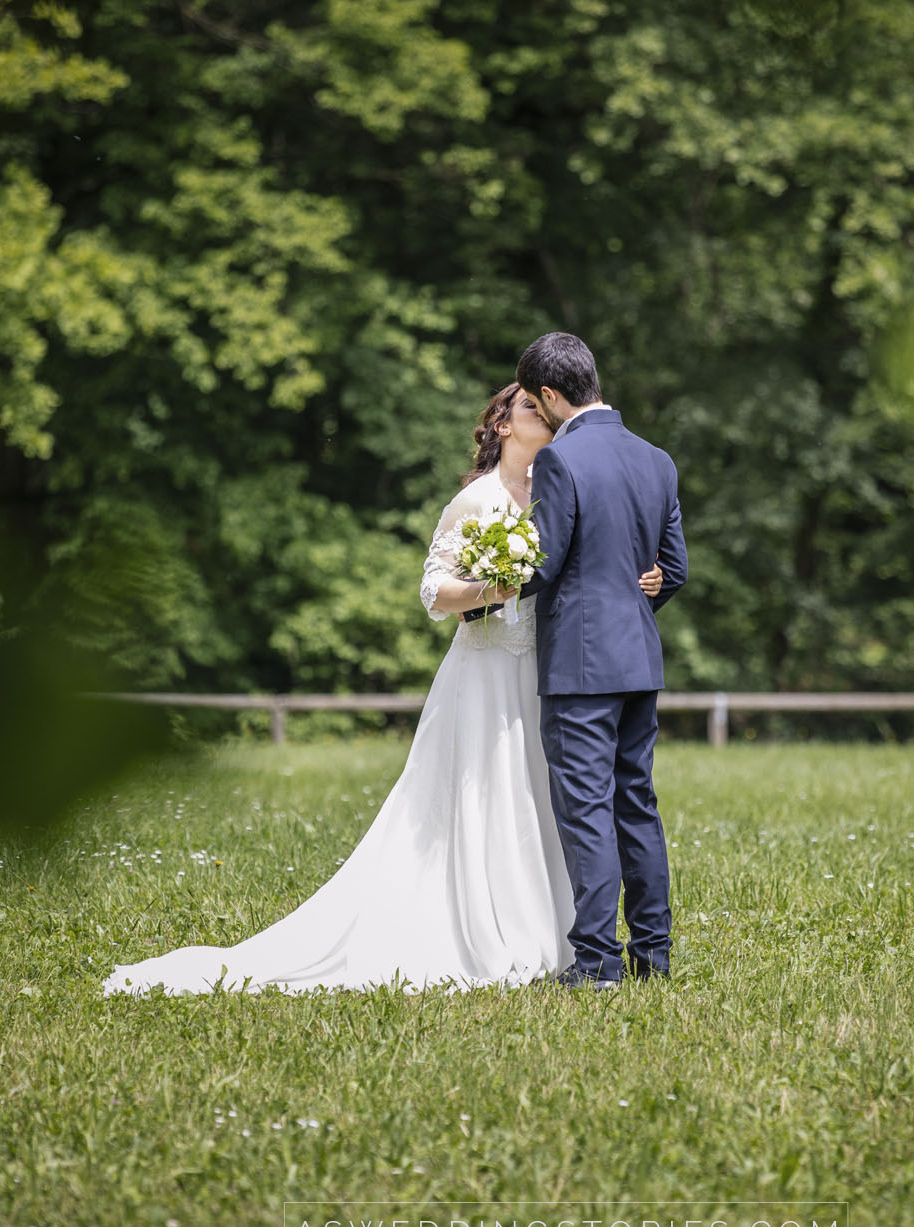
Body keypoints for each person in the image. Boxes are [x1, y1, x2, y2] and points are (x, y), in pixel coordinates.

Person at [101, 382, 666, 996]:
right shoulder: (474, 501)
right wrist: (494, 588)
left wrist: (649, 577)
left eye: (545, 405)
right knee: (486, 798)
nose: (547, 415)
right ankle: (490, 927)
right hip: (486, 672)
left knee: (546, 802)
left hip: (550, 674)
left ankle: (560, 932)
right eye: (531, 408)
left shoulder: (560, 488)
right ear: (503, 427)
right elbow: (434, 594)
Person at [513, 332, 688, 991]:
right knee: (635, 803)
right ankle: (654, 955)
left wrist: (489, 582)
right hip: (639, 658)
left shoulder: (562, 460)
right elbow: (675, 569)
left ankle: (594, 962)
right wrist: (632, 596)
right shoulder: (656, 458)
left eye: (535, 401)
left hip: (582, 666)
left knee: (586, 808)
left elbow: (544, 565)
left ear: (552, 395)